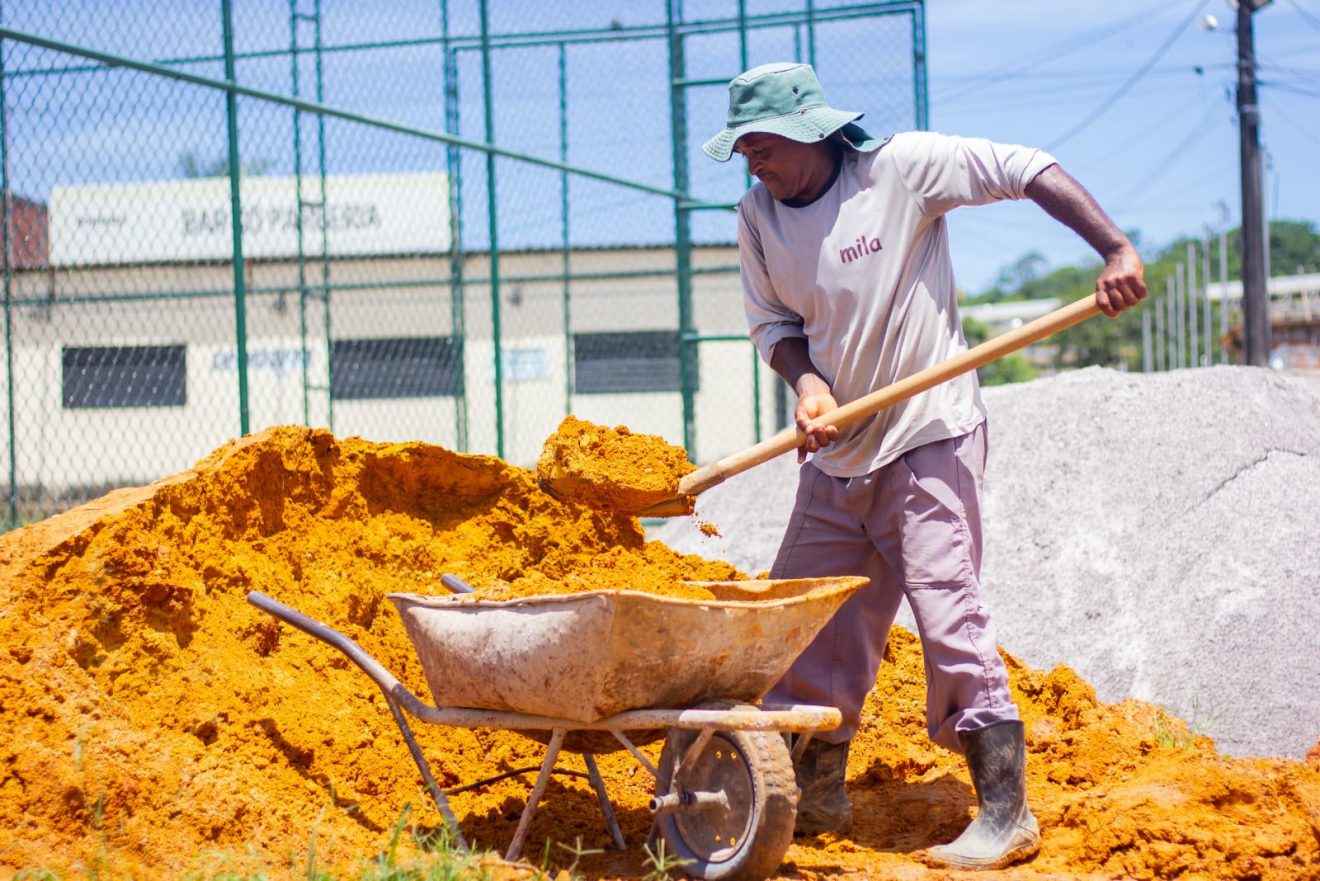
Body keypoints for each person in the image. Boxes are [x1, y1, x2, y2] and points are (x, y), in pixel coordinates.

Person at [702, 62, 1147, 870]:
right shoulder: (758, 215)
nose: (751, 162)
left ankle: (1005, 812)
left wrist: (1113, 247)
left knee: (950, 619)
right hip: (836, 453)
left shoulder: (898, 170)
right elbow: (773, 324)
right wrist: (808, 385)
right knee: (809, 622)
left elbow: (1026, 168)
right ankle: (819, 789)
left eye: (761, 144)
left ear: (810, 129)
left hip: (927, 435)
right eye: (742, 149)